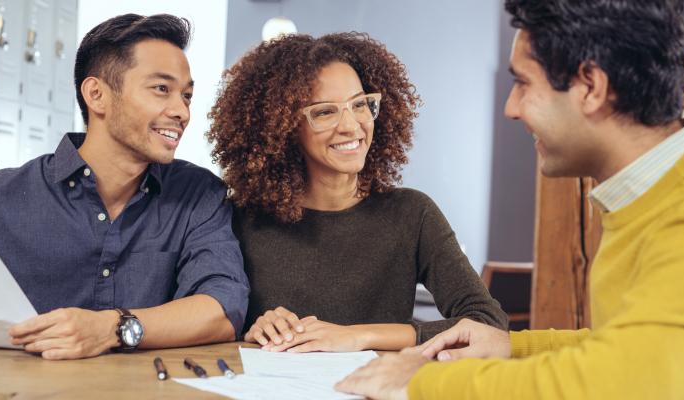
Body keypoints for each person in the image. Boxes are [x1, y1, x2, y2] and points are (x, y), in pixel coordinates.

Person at [336, 0, 684, 399]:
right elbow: (640, 348)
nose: (511, 108)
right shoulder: (667, 194)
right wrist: (510, 347)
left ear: (590, 86)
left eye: (522, 83)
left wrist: (422, 382)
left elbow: (617, 387)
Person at [0, 14, 249, 360]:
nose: (181, 112)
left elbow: (223, 308)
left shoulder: (198, 194)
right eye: (161, 89)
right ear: (97, 95)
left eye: (186, 96)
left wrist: (112, 328)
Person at [206, 32, 508, 353]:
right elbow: (212, 321)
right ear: (281, 127)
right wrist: (251, 328)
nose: (351, 126)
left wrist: (357, 336)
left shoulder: (412, 214)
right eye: (324, 112)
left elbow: (487, 323)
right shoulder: (241, 220)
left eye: (360, 104)